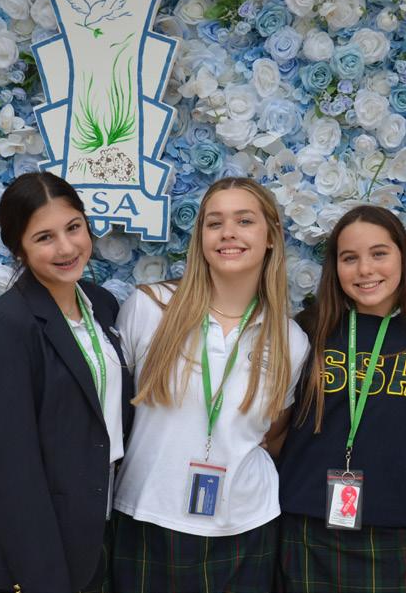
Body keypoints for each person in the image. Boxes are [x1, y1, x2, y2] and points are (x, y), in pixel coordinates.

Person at [111, 177, 308, 593]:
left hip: (245, 526)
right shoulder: (149, 308)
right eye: (214, 223)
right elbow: (113, 412)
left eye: (244, 221)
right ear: (200, 237)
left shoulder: (290, 339)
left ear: (271, 237)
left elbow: (274, 434)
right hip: (147, 516)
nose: (228, 233)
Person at [0, 173, 134, 592]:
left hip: (92, 535)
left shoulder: (101, 303)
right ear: (19, 248)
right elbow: (12, 471)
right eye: (45, 237)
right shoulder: (4, 327)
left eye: (73, 227)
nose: (66, 248)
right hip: (28, 558)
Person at [275, 205, 406, 593]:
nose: (365, 269)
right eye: (349, 258)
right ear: (335, 267)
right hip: (307, 529)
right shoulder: (309, 330)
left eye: (379, 253)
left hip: (393, 533)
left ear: (403, 257)